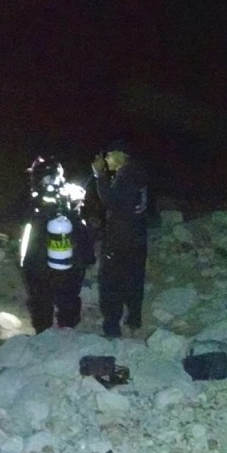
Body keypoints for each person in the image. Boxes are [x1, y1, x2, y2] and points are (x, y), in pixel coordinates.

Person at [20, 156, 96, 333]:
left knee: (40, 299)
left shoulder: (33, 200)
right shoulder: (72, 195)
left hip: (38, 263)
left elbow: (19, 220)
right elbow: (84, 227)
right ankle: (67, 331)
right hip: (71, 262)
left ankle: (43, 334)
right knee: (69, 298)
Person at [91, 139, 149, 338]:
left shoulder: (126, 177)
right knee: (134, 280)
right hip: (138, 238)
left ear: (120, 155)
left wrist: (99, 175)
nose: (106, 159)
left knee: (110, 284)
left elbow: (110, 201)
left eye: (109, 155)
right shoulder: (138, 173)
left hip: (121, 241)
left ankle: (112, 329)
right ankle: (134, 320)